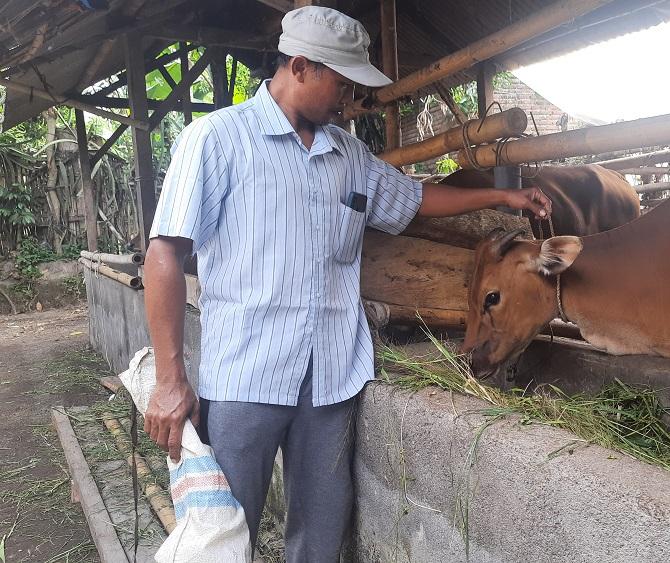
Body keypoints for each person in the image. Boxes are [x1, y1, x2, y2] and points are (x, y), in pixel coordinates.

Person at [142, 6, 551, 561]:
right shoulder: (216, 140)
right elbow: (163, 255)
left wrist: (505, 196)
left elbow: (417, 198)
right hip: (245, 375)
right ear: (303, 66)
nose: (350, 100)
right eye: (342, 83)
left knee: (322, 533)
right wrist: (170, 380)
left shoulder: (350, 156)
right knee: (223, 531)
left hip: (332, 377)